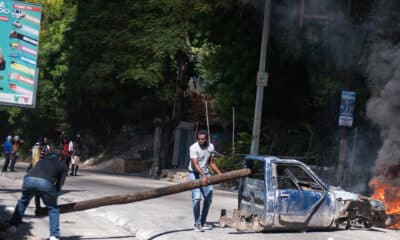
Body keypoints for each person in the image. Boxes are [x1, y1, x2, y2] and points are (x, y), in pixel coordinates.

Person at [8, 150, 67, 240]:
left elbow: (33, 174)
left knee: (23, 202)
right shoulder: (62, 165)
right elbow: (60, 184)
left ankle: (13, 226)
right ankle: (54, 236)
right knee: (53, 208)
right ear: (60, 157)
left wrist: (38, 201)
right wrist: (54, 196)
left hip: (28, 180)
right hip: (45, 184)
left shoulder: (41, 161)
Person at [188, 130, 222, 232]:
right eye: (198, 139)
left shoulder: (211, 147)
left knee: (208, 198)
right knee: (197, 199)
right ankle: (197, 224)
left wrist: (220, 174)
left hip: (205, 173)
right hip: (194, 174)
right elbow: (195, 164)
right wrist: (203, 176)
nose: (200, 141)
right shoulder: (193, 148)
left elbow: (211, 163)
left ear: (206, 139)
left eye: (202, 139)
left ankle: (203, 222)